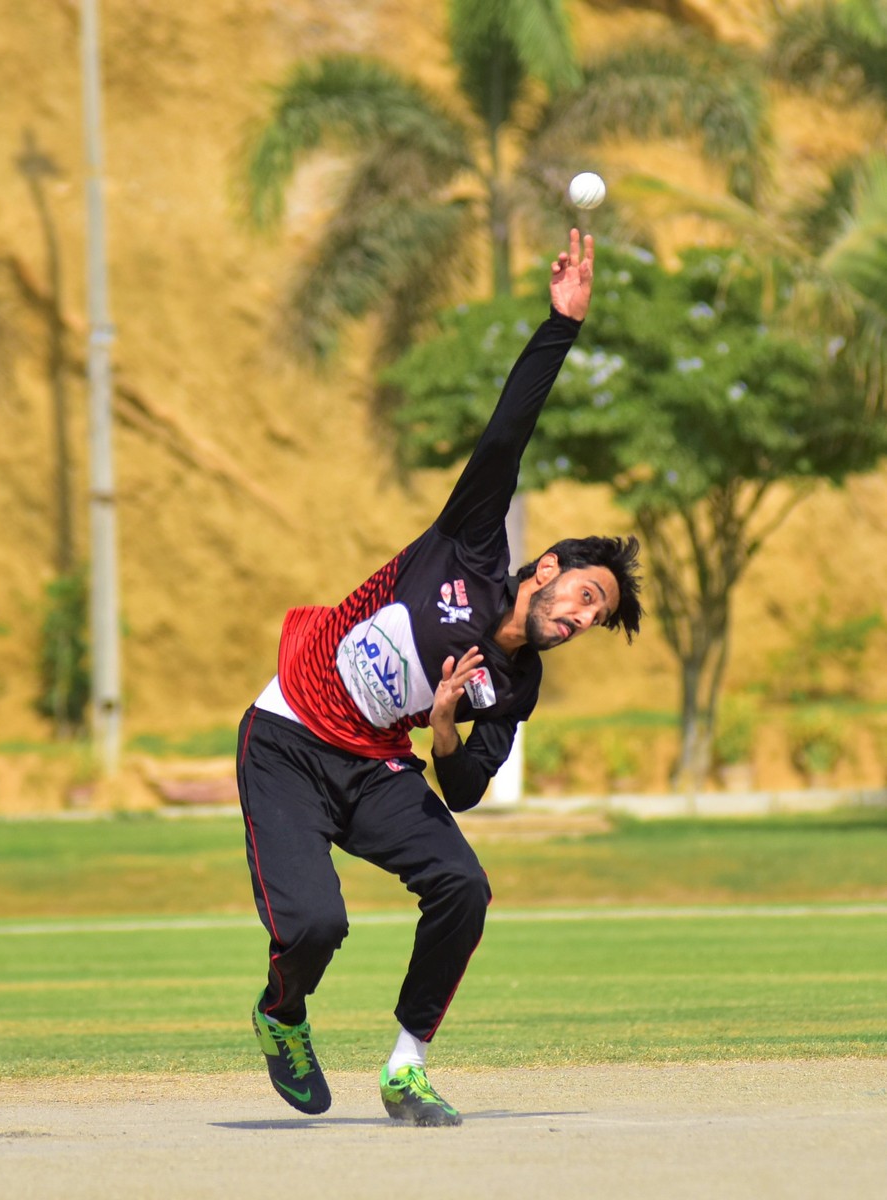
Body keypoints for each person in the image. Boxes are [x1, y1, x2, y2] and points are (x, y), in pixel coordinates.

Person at [237, 229, 642, 1127]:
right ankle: (282, 1013)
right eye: (585, 594)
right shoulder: (468, 544)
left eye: (597, 617)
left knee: (463, 885)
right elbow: (508, 433)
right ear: (546, 568)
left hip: (375, 765)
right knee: (315, 927)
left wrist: (450, 723)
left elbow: (460, 790)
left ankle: (406, 1066)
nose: (582, 616)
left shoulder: (516, 683)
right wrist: (562, 327)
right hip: (288, 734)